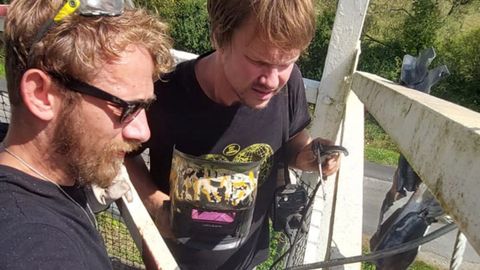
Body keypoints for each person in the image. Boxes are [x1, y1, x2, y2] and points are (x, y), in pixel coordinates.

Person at [126, 0, 342, 269]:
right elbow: (124, 156)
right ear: (219, 37)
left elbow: (292, 139)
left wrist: (306, 156)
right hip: (170, 260)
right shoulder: (166, 93)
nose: (272, 81)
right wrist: (157, 205)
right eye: (258, 61)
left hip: (246, 258)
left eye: (287, 62)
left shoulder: (290, 84)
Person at [0, 0, 172, 269]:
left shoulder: (54, 180)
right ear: (41, 95)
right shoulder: (37, 249)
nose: (143, 132)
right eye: (125, 107)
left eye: (145, 106)